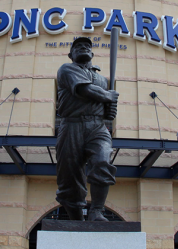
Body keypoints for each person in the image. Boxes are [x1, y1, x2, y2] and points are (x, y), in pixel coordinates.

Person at [55, 37, 119, 221]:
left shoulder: (102, 79)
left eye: (87, 46)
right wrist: (108, 96)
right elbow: (85, 90)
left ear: (92, 54)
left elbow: (105, 108)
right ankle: (77, 221)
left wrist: (110, 109)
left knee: (102, 162)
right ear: (70, 54)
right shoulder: (67, 69)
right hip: (71, 126)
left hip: (97, 127)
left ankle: (97, 211)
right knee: (69, 180)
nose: (83, 47)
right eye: (77, 46)